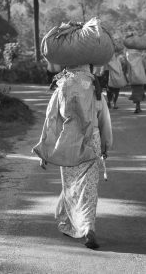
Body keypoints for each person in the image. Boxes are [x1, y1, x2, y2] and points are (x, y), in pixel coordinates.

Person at [33, 63, 112, 249]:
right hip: (91, 142)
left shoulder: (62, 87)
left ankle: (80, 225)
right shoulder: (95, 90)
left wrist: (44, 150)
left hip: (68, 142)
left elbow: (51, 121)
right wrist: (105, 146)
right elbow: (104, 120)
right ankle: (88, 227)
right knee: (88, 188)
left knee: (72, 186)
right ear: (89, 69)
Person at [125, 49, 146, 113]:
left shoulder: (129, 60)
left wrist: (128, 77)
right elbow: (145, 67)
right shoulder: (140, 59)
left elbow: (127, 69)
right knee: (139, 92)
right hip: (140, 78)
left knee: (135, 92)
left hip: (133, 79)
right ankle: (138, 107)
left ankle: (138, 107)